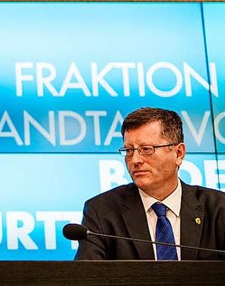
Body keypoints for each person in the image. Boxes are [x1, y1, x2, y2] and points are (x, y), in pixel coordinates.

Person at [75, 107, 225, 260]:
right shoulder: (101, 212)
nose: (135, 160)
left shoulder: (219, 209)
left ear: (179, 153)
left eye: (146, 149)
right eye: (128, 150)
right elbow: (87, 277)